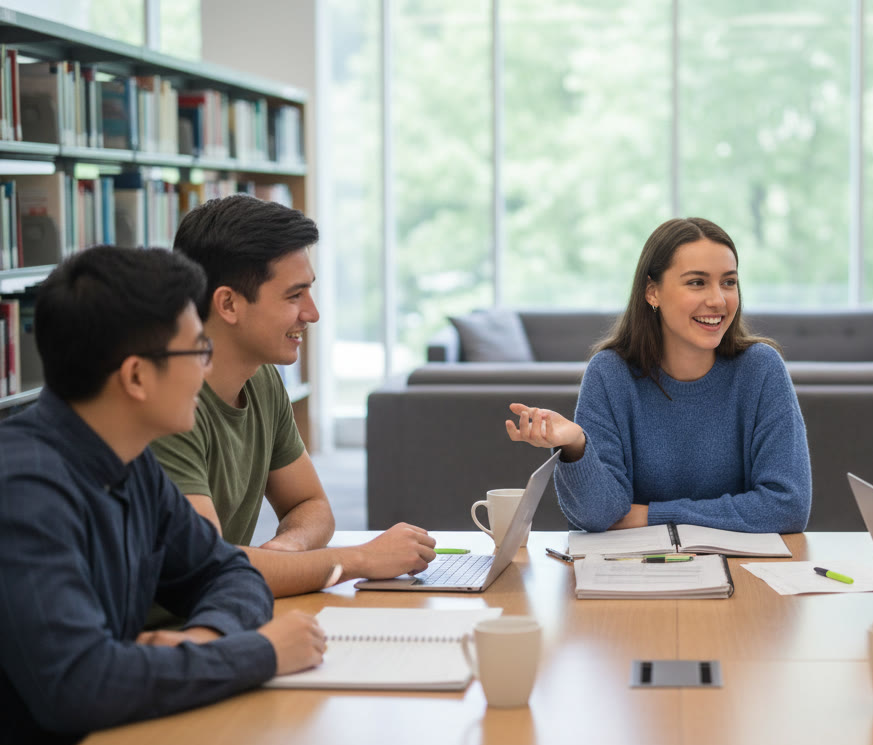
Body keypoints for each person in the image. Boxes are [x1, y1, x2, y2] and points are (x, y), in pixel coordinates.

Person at [0, 246, 326, 745]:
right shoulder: (23, 491)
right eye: (197, 351)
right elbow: (79, 684)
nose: (206, 368)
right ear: (135, 377)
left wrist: (202, 640)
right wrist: (261, 653)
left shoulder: (130, 462)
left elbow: (229, 572)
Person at [151, 195, 434, 601]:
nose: (313, 313)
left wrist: (288, 550)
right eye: (294, 295)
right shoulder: (167, 406)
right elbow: (207, 569)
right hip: (163, 638)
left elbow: (311, 503)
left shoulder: (263, 379)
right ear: (228, 303)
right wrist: (357, 560)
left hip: (221, 614)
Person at [504, 217, 811, 533]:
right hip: (637, 572)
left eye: (729, 282)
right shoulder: (610, 373)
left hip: (744, 570)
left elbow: (787, 507)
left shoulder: (761, 369)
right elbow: (599, 516)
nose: (718, 300)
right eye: (697, 282)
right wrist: (576, 446)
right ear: (653, 292)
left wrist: (651, 515)